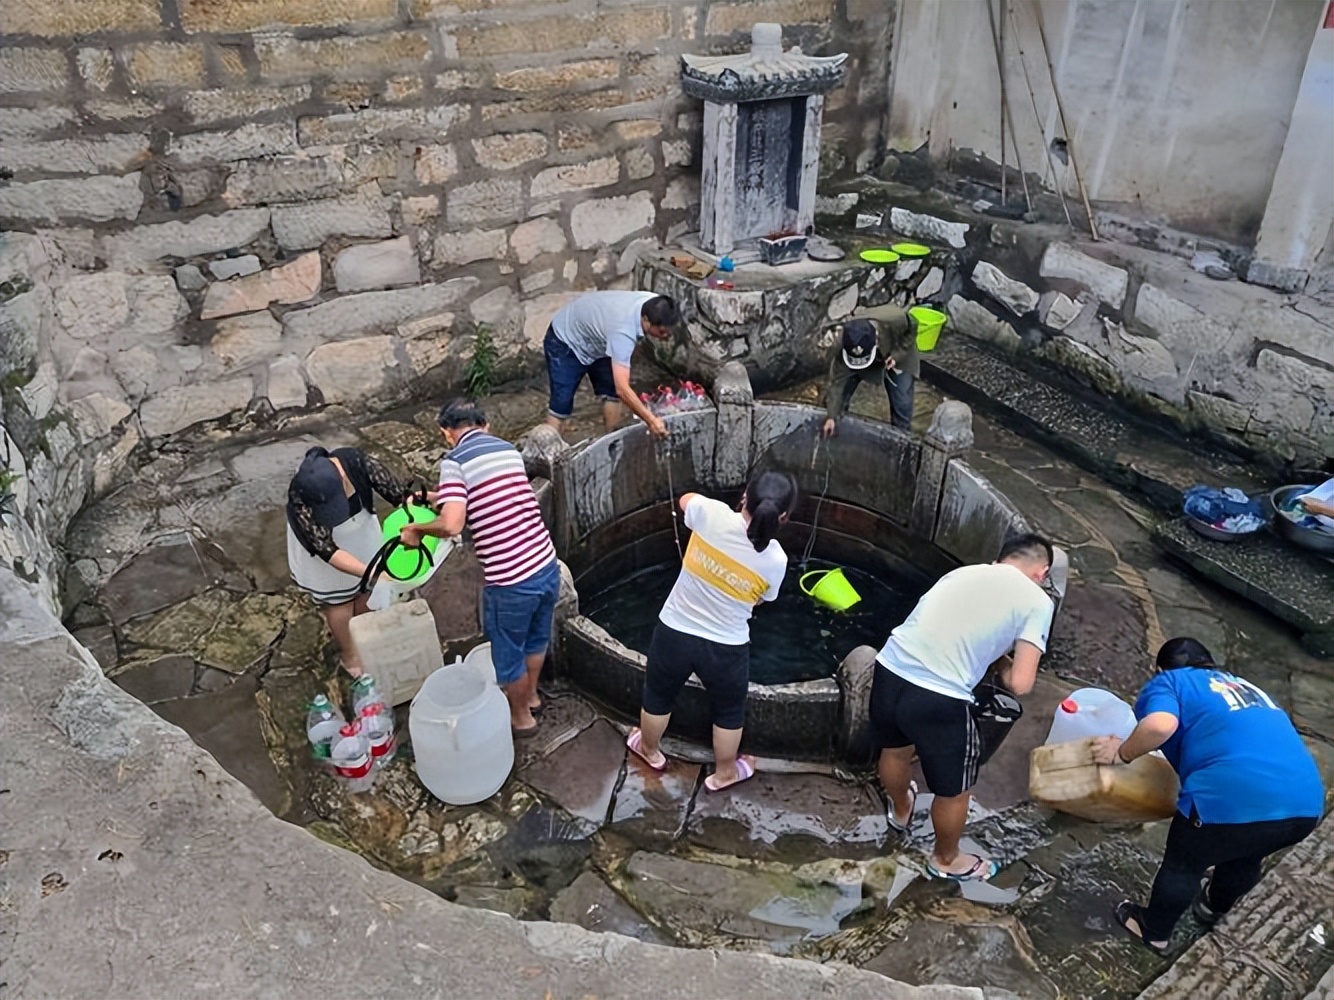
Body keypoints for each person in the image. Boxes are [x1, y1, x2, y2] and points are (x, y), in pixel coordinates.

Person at [1092, 637, 1323, 954]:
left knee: (1184, 864)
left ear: (1159, 669)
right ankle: (1215, 907)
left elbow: (1159, 726)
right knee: (1246, 851)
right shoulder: (1246, 688)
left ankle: (1153, 931)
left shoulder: (1170, 681)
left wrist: (1121, 752)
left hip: (1229, 795)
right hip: (1305, 807)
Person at [871, 533, 1055, 881]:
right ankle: (946, 859)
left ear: (1002, 559)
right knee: (954, 789)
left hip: (890, 667)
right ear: (1041, 572)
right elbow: (1021, 684)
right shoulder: (1037, 600)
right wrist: (1003, 663)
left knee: (894, 751)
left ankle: (900, 811)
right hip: (940, 695)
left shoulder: (961, 574)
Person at [625, 470, 798, 791]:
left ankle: (649, 750)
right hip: (727, 645)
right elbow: (761, 599)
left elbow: (684, 500)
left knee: (657, 695)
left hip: (674, 629)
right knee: (729, 711)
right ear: (783, 517)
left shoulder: (711, 514)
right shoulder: (776, 559)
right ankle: (724, 773)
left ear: (745, 495)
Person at [400, 399, 560, 734]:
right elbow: (484, 491)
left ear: (446, 433)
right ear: (484, 425)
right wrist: (433, 496)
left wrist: (416, 529)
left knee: (509, 653)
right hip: (546, 564)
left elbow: (453, 524)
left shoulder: (455, 460)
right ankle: (530, 698)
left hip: (511, 580)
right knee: (535, 638)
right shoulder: (506, 450)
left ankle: (521, 719)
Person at [286, 446, 411, 678]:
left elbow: (400, 496)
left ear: (342, 476)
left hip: (360, 533)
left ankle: (366, 634)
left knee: (368, 592)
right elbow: (328, 552)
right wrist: (373, 572)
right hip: (325, 551)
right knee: (339, 601)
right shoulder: (301, 495)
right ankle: (350, 654)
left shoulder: (359, 463)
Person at [542, 290, 680, 440]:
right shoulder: (623, 333)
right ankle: (549, 452)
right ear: (646, 320)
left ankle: (612, 440)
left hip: (598, 339)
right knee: (561, 403)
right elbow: (623, 389)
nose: (667, 336)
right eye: (662, 331)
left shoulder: (656, 304)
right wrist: (651, 421)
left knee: (611, 392)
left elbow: (618, 390)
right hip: (566, 340)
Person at [821, 304, 923, 435]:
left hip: (896, 352)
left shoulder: (894, 319)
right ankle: (836, 424)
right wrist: (831, 416)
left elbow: (913, 326)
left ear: (876, 339)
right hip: (859, 359)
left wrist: (897, 354)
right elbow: (836, 383)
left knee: (902, 401)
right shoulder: (841, 343)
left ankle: (901, 437)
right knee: (839, 397)